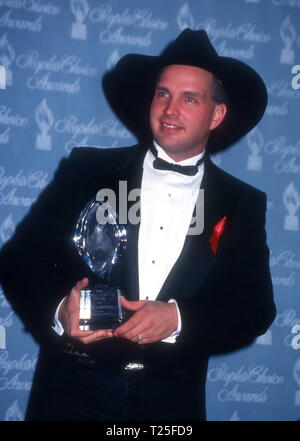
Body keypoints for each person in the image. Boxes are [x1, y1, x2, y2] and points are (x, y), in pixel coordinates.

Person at [0, 29, 276, 421]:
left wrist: (178, 318)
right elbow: (19, 260)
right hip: (73, 389)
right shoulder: (88, 169)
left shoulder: (244, 203)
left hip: (173, 400)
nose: (170, 109)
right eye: (163, 93)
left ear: (217, 114)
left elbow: (255, 308)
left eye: (189, 98)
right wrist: (60, 309)